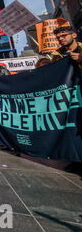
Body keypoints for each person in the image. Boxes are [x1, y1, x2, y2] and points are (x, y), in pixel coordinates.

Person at [50, 26, 82, 173]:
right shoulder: (56, 55)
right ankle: (75, 159)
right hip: (67, 98)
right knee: (71, 127)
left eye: (64, 35)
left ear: (74, 35)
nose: (61, 39)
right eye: (58, 37)